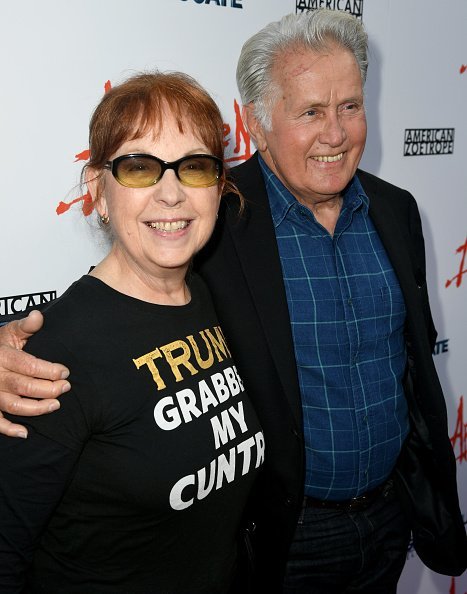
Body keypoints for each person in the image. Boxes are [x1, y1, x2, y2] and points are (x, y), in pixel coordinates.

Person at [0, 9, 466, 594]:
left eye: (349, 106)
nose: (336, 132)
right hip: (285, 538)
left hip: (390, 514)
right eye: (310, 112)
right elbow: (122, 291)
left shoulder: (396, 210)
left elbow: (413, 365)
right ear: (257, 123)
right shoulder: (219, 217)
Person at [0, 71, 264, 593]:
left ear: (219, 187)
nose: (171, 194)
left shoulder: (210, 298)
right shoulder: (52, 355)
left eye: (194, 167)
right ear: (98, 192)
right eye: (140, 167)